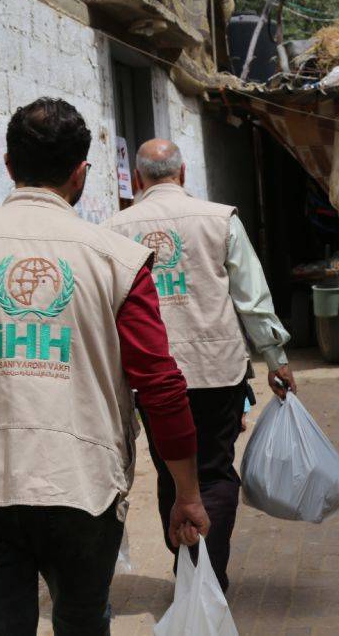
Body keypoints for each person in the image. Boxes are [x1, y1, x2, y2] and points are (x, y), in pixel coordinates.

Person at [0, 99, 210, 635]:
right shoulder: (116, 260)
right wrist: (187, 494)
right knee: (82, 621)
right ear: (80, 174)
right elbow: (160, 386)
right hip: (82, 487)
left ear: (8, 165)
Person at [103, 138, 294, 593]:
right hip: (216, 370)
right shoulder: (219, 219)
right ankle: (210, 575)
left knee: (172, 468)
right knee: (214, 470)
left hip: (151, 376)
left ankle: (189, 568)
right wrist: (276, 357)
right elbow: (252, 297)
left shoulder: (114, 228)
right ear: (183, 174)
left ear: (135, 180)